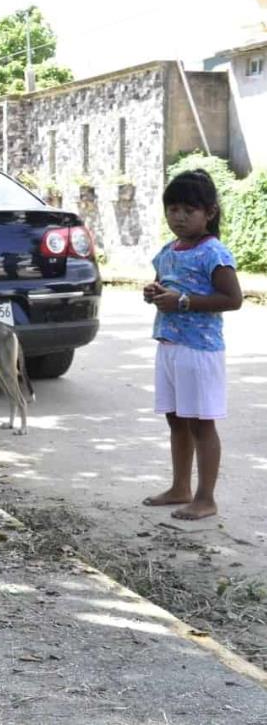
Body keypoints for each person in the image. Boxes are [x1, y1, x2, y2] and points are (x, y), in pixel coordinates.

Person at [141, 169, 242, 521]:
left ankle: (205, 497)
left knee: (202, 423)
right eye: (173, 209)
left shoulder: (213, 252)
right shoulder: (168, 250)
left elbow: (232, 298)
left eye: (188, 209)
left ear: (209, 213)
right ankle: (180, 487)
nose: (179, 217)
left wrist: (183, 301)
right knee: (176, 420)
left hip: (199, 350)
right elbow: (162, 284)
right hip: (169, 345)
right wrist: (153, 294)